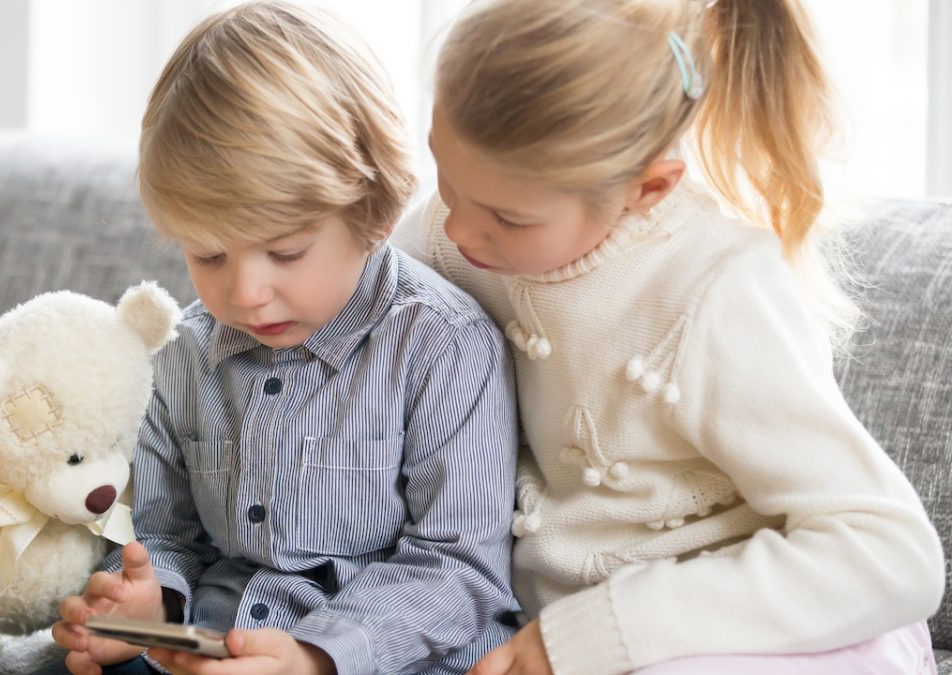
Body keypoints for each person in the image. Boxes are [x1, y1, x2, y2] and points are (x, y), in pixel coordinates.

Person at [391, 1, 945, 674]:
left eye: (509, 217)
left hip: (774, 629)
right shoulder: (449, 238)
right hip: (542, 629)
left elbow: (888, 553)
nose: (458, 232)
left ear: (648, 188)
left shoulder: (717, 292)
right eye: (446, 179)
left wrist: (597, 631)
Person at [49, 2, 519, 674]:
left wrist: (315, 656)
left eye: (287, 251)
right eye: (208, 256)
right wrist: (149, 606)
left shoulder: (443, 346)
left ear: (373, 210)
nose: (243, 293)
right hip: (213, 649)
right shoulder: (180, 357)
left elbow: (459, 570)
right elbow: (161, 532)